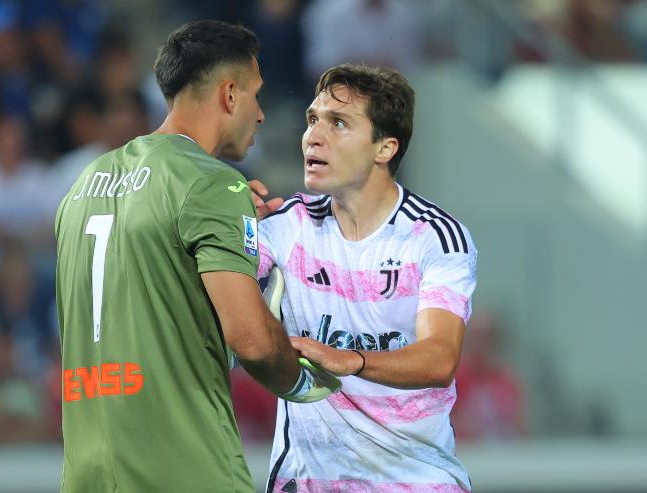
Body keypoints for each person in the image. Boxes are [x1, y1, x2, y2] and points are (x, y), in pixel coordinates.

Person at [55, 20, 335, 493]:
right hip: (184, 467)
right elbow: (252, 342)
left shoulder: (83, 184)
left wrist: (236, 231)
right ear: (229, 95)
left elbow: (156, 316)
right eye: (255, 95)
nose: (262, 114)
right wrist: (311, 385)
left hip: (88, 471)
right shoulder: (211, 183)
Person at [257, 64, 477, 492]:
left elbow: (439, 359)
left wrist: (352, 360)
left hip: (414, 481)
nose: (313, 136)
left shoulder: (435, 238)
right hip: (308, 481)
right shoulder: (284, 225)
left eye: (338, 123)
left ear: (385, 148)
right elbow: (210, 293)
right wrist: (223, 225)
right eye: (312, 119)